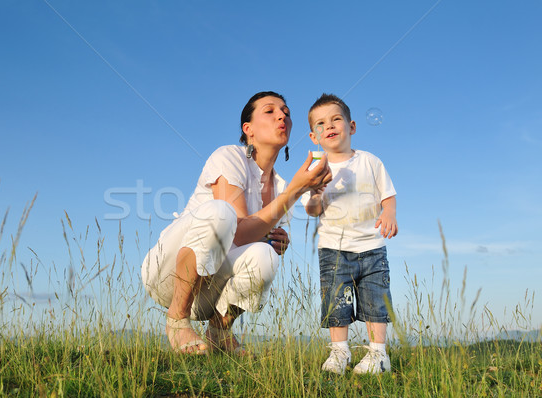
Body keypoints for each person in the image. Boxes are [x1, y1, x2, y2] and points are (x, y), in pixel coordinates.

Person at [142, 91, 332, 355]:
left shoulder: (279, 187)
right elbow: (239, 232)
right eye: (270, 111)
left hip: (209, 294)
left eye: (286, 113)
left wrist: (277, 240)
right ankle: (176, 320)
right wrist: (296, 192)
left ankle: (219, 332)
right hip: (170, 276)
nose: (282, 116)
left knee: (266, 255)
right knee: (222, 212)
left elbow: (254, 242)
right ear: (248, 129)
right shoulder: (229, 156)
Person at [303, 93, 398, 374]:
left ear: (352, 126)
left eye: (336, 119)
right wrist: (316, 194)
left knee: (375, 301)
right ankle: (339, 353)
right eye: (320, 124)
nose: (329, 126)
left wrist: (389, 213)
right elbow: (312, 209)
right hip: (333, 248)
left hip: (371, 246)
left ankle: (378, 355)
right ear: (313, 136)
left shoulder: (370, 161)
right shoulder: (316, 169)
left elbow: (388, 194)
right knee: (336, 302)